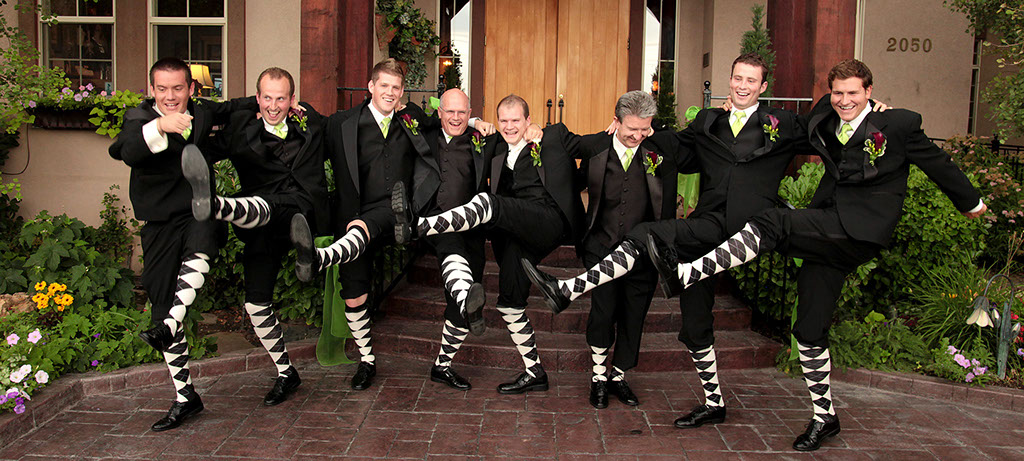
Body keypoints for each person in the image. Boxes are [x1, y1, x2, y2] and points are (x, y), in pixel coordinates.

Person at [646, 59, 986, 451]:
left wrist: (971, 202)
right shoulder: (826, 118)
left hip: (861, 228)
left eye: (853, 93)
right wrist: (731, 110)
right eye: (838, 93)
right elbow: (799, 123)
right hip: (828, 233)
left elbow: (937, 162)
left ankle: (688, 273)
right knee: (808, 329)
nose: (845, 100)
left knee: (771, 222)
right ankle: (825, 418)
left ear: (869, 92)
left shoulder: (897, 124)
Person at [527, 53, 813, 424]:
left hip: (737, 231)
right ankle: (702, 399)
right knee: (672, 320)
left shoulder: (778, 123)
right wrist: (536, 131)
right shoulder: (703, 122)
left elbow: (825, 126)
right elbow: (664, 142)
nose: (742, 86)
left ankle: (591, 320)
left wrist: (873, 114)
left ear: (763, 86)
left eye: (750, 80)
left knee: (638, 288)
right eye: (738, 78)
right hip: (670, 234)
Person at [392, 94, 583, 394]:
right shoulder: (469, 140)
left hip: (511, 225)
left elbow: (583, 149)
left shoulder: (518, 140)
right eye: (503, 120)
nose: (509, 126)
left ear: (527, 120)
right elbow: (421, 114)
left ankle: (418, 228)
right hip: (477, 231)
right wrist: (473, 120)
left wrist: (536, 130)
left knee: (487, 213)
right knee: (489, 294)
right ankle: (533, 371)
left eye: (516, 120)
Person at [108, 57, 255, 431]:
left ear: (191, 88)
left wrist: (277, 103)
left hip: (197, 212)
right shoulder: (139, 118)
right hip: (159, 224)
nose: (170, 96)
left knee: (203, 237)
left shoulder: (202, 112)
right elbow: (125, 150)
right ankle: (186, 397)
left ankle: (171, 323)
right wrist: (160, 125)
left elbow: (235, 107)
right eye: (162, 89)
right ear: (152, 90)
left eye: (177, 88)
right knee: (161, 305)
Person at [523, 90, 681, 408]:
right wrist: (537, 129)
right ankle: (598, 377)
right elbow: (562, 137)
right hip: (601, 246)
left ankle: (618, 377)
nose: (637, 136)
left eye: (644, 129)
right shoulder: (597, 145)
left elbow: (690, 140)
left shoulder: (659, 149)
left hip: (644, 254)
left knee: (633, 316)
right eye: (631, 128)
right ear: (616, 122)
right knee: (603, 312)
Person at [181, 67, 328, 406]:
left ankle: (220, 207)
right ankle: (286, 372)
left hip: (302, 213)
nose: (273, 106)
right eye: (267, 98)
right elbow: (199, 146)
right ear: (257, 98)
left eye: (281, 98)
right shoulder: (240, 132)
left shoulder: (311, 124)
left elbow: (351, 131)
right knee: (255, 303)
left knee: (276, 206)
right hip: (261, 230)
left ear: (292, 100)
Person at [289, 58, 430, 391]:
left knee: (374, 219)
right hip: (352, 214)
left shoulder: (411, 120)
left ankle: (320, 258)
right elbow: (310, 130)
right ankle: (367, 360)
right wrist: (287, 109)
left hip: (395, 214)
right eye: (384, 86)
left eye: (396, 88)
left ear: (402, 92)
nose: (390, 93)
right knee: (354, 294)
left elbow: (449, 121)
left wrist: (478, 122)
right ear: (371, 87)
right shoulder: (342, 123)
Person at [402, 88, 493, 390]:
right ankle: (467, 299)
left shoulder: (481, 141)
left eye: (462, 112)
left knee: (468, 285)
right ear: (439, 112)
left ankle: (442, 365)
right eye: (449, 111)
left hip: (472, 227)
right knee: (452, 249)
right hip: (434, 223)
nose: (456, 118)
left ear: (470, 113)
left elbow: (514, 135)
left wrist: (532, 130)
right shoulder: (425, 133)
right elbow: (409, 112)